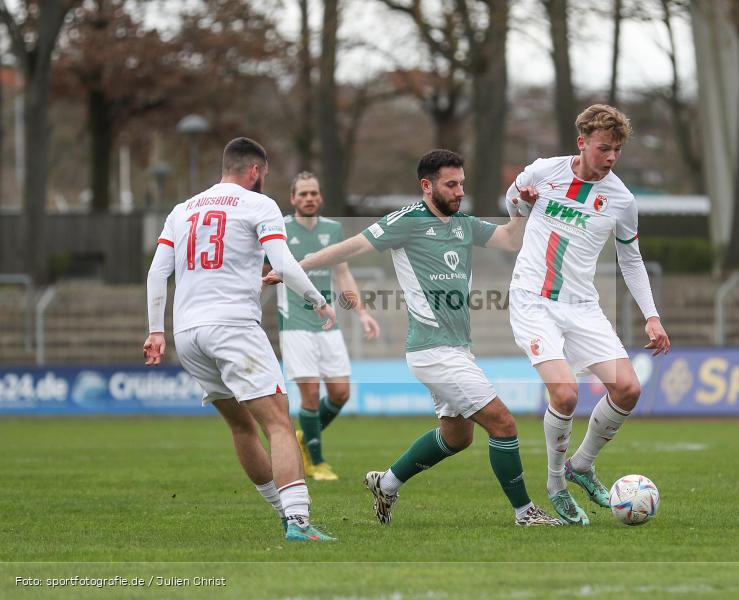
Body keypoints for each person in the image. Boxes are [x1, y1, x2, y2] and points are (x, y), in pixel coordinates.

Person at [266, 149, 561, 526]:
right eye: (451, 185)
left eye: (462, 184)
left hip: (457, 349)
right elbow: (351, 247)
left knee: (457, 437)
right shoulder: (405, 221)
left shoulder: (463, 223)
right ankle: (525, 512)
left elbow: (508, 240)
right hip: (432, 350)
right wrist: (294, 266)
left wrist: (521, 210)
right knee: (503, 423)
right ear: (427, 186)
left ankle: (386, 483)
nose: (459, 192)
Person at [143, 137, 337, 542]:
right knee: (280, 423)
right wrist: (318, 300)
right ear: (254, 172)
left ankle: (286, 515)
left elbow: (157, 273)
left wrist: (156, 330)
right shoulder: (259, 204)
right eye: (263, 175)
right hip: (232, 327)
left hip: (188, 334)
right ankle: (299, 523)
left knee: (242, 427)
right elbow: (283, 262)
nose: (263, 181)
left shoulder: (182, 211)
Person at [505, 104, 671, 526]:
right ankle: (557, 485)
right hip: (533, 299)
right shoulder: (543, 172)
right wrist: (522, 205)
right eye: (603, 148)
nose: (611, 157)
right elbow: (511, 209)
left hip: (582, 306)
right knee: (564, 394)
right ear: (582, 143)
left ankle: (581, 465)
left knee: (628, 388)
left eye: (617, 149)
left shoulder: (622, 199)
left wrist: (651, 316)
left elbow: (631, 261)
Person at [277, 171, 380, 481]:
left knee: (340, 393)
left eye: (314, 193)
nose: (309, 198)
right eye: (303, 194)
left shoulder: (334, 230)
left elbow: (343, 274)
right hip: (294, 323)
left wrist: (361, 313)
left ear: (320, 197)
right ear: (293, 198)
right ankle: (316, 461)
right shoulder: (280, 229)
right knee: (309, 394)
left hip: (327, 323)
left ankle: (305, 437)